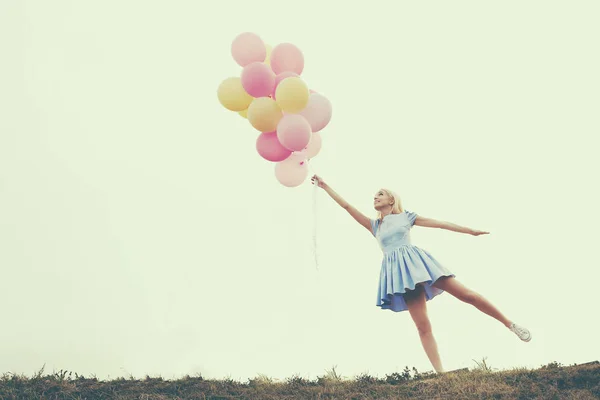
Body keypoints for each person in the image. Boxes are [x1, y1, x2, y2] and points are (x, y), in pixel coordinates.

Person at [311, 175, 531, 373]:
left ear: (391, 199)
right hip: (398, 274)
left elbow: (441, 223)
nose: (375, 198)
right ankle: (441, 373)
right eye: (374, 196)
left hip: (418, 264)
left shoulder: (406, 216)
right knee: (422, 326)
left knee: (467, 295)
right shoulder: (374, 225)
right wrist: (325, 186)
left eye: (380, 194)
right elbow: (347, 206)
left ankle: (510, 324)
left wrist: (469, 231)